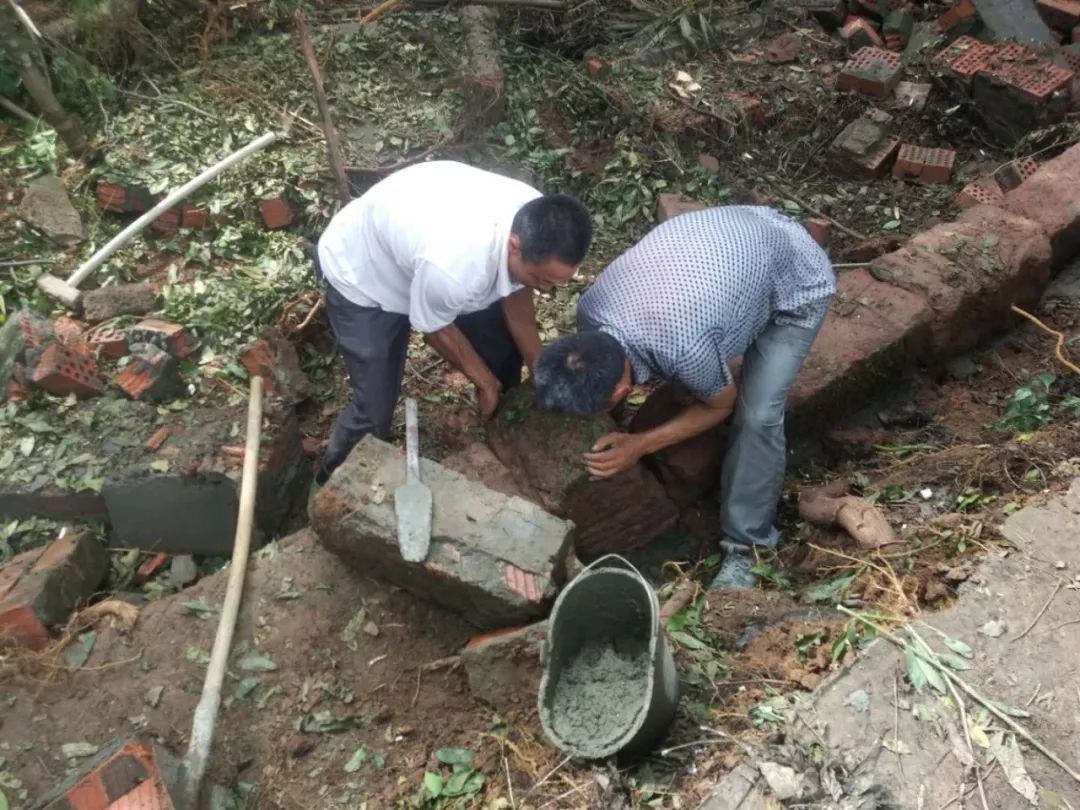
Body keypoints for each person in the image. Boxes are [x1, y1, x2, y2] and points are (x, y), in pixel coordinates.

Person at [533, 206, 835, 589]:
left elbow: (720, 405)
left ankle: (749, 549)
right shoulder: (590, 310)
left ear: (621, 391)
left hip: (795, 284)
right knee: (705, 363)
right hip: (734, 241)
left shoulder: (682, 347)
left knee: (758, 417)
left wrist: (640, 444)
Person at [314, 161, 593, 486]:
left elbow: (519, 308)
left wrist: (542, 373)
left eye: (554, 283)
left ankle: (500, 427)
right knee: (374, 410)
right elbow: (434, 328)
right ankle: (331, 481)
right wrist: (485, 382)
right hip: (365, 277)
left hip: (428, 259)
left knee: (501, 349)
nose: (545, 290)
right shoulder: (455, 269)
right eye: (541, 280)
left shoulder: (536, 217)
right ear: (514, 247)